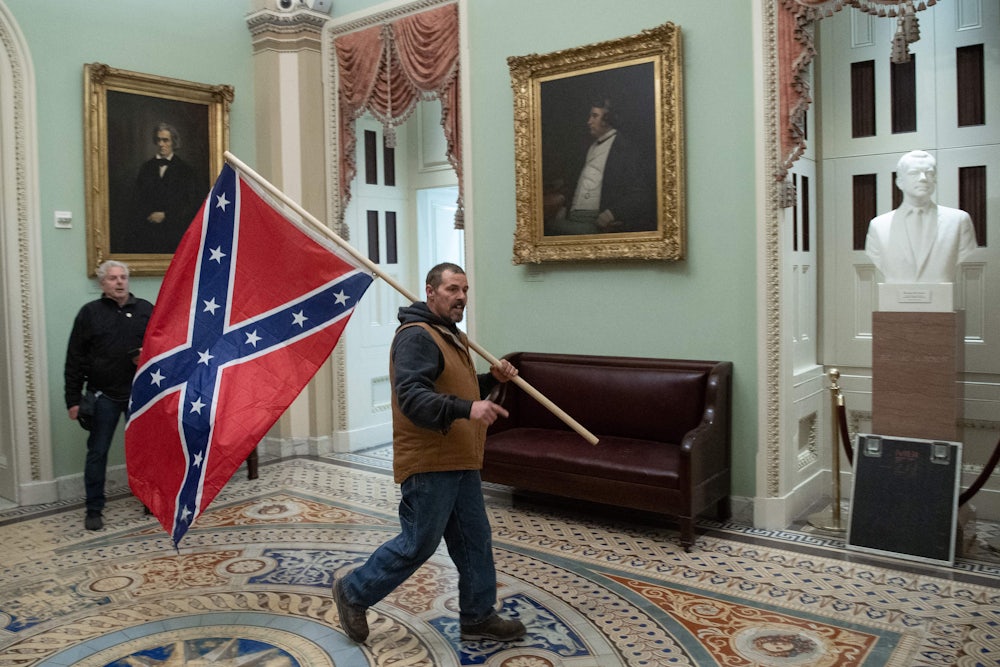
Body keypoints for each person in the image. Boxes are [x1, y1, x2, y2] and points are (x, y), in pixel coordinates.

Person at [332, 262, 526, 644]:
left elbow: (452, 387)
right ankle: (354, 592)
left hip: (461, 458)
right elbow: (413, 397)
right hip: (430, 461)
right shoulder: (417, 336)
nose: (461, 297)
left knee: (474, 539)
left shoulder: (449, 334)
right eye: (453, 289)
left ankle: (477, 615)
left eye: (465, 290)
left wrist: (490, 380)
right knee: (417, 543)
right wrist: (468, 409)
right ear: (431, 291)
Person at [64, 260, 153, 530]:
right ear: (102, 283)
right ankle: (94, 508)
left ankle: (151, 500)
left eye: (123, 277)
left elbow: (163, 347)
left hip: (139, 394)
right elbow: (75, 358)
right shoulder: (89, 313)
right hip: (103, 395)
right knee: (97, 452)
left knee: (145, 450)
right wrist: (73, 399)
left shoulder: (146, 310)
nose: (119, 282)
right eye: (113, 278)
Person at [544, 97, 656, 236]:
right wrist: (565, 207)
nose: (589, 121)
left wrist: (611, 214)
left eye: (595, 116)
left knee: (549, 227)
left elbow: (641, 193)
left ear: (607, 119)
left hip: (596, 222)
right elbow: (579, 183)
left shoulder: (624, 148)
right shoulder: (590, 147)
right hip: (573, 217)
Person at [865, 150, 979, 284]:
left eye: (929, 173)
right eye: (914, 173)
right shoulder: (879, 225)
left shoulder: (958, 221)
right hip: (896, 299)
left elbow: (965, 251)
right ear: (900, 181)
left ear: (935, 180)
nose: (923, 178)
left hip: (940, 299)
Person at [129, 122, 202, 254]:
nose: (161, 144)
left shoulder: (186, 170)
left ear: (173, 142)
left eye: (165, 140)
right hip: (147, 233)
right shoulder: (146, 168)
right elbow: (136, 199)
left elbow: (192, 203)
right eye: (158, 140)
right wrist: (148, 216)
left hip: (174, 234)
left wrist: (166, 215)